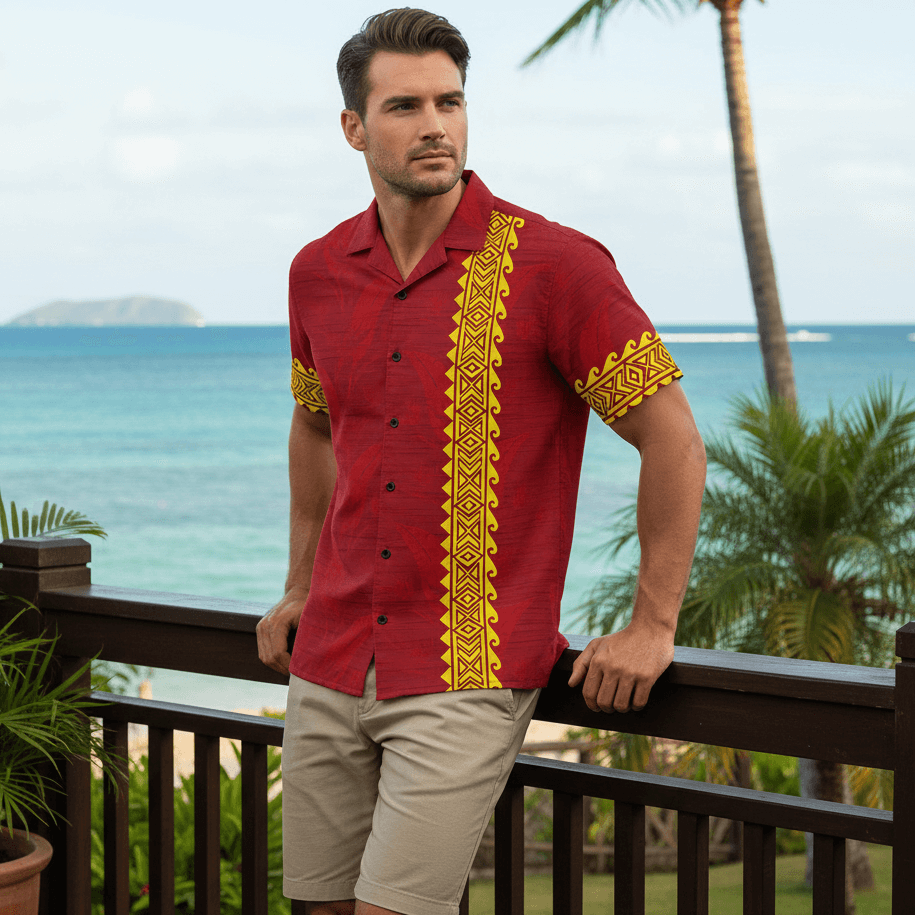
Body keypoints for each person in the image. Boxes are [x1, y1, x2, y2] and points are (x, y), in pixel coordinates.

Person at [255, 8, 706, 915]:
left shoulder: (556, 267)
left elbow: (672, 437)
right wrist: (298, 583)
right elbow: (314, 426)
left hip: (467, 668)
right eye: (405, 105)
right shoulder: (316, 271)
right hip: (331, 659)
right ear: (353, 128)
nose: (435, 125)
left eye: (450, 101)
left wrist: (650, 625)